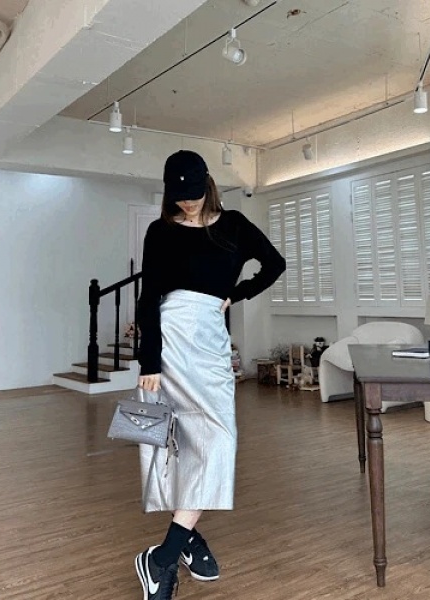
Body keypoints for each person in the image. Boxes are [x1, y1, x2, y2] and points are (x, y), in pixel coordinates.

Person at [134, 150, 286, 600]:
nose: (187, 202)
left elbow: (274, 264)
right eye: (179, 196)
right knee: (175, 445)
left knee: (218, 441)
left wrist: (236, 294)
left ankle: (164, 553)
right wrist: (149, 361)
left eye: (195, 194)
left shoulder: (234, 225)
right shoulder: (160, 231)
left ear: (209, 185)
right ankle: (177, 546)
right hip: (171, 340)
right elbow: (148, 297)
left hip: (211, 342)